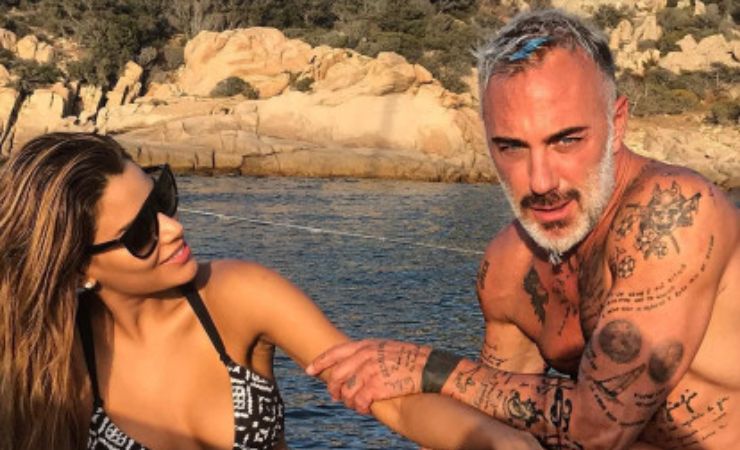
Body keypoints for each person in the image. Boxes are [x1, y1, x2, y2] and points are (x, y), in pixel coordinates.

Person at [306, 9, 740, 450]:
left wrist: (428, 367)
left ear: (617, 124)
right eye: (512, 147)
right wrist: (383, 380)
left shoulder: (671, 215)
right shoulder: (509, 268)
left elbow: (600, 429)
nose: (541, 182)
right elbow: (490, 418)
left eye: (566, 140)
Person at [0, 132, 542, 450]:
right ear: (78, 269)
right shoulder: (53, 362)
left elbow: (387, 399)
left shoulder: (238, 295)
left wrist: (495, 441)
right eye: (141, 232)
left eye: (161, 197)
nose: (173, 228)